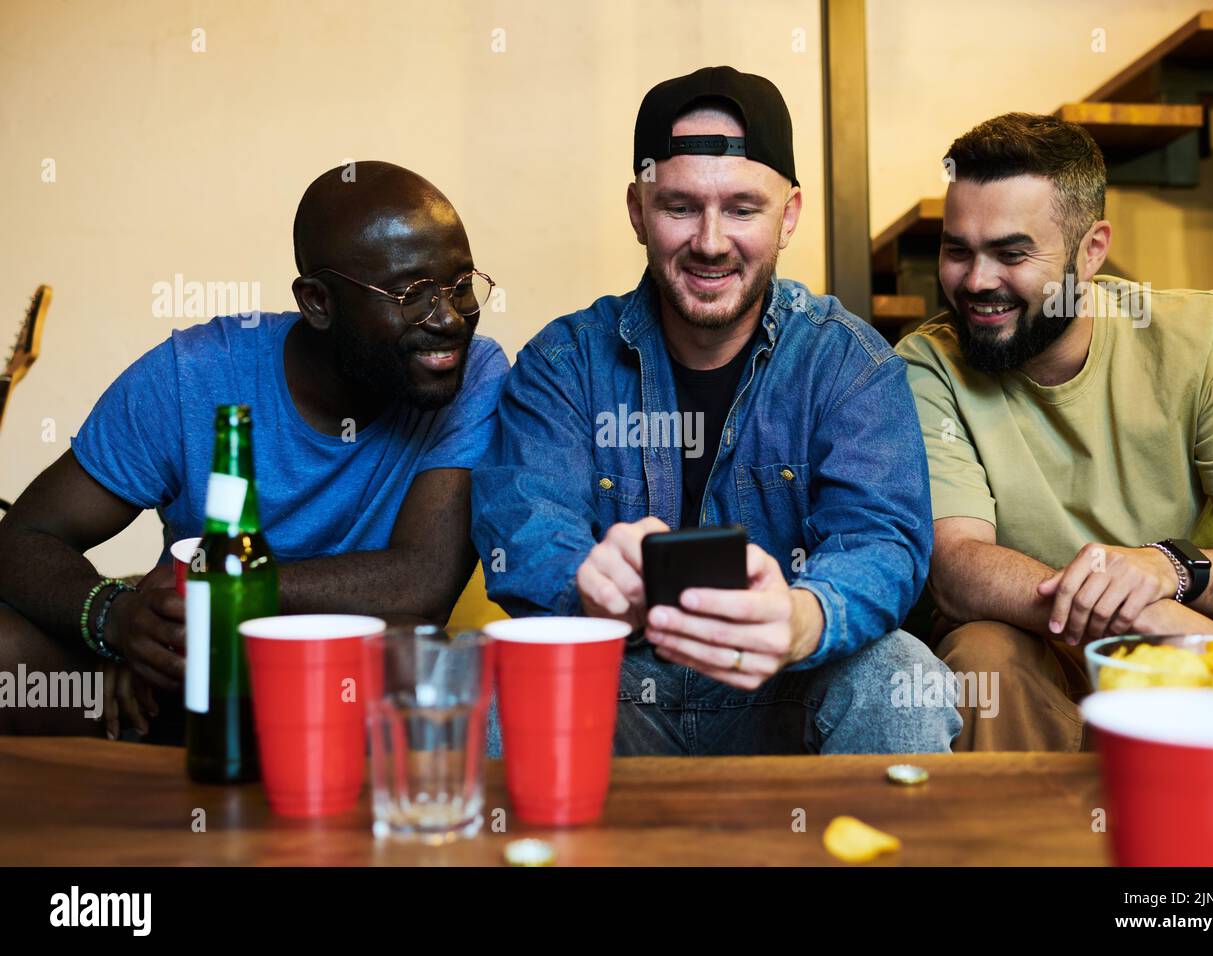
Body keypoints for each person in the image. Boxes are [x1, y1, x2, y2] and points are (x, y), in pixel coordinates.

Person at [472, 66, 961, 755]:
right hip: (616, 692)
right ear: (638, 211)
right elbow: (521, 527)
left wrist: (802, 615)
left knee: (899, 674)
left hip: (781, 687)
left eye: (741, 209)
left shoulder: (849, 363)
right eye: (678, 207)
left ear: (788, 215)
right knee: (484, 670)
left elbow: (882, 540)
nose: (709, 240)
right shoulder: (563, 362)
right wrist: (583, 586)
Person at [0, 161, 508, 739]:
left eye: (461, 285)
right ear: (318, 302)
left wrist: (211, 596)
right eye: (411, 294)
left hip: (315, 681)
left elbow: (422, 581)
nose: (447, 318)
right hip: (174, 673)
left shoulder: (475, 374)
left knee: (407, 649)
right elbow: (21, 538)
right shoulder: (194, 375)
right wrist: (116, 620)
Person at [896, 113, 1213, 751]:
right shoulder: (925, 366)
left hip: (1185, 642)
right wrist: (1142, 610)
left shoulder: (1201, 339)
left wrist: (1171, 572)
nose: (976, 282)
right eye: (957, 250)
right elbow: (956, 567)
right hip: (1042, 654)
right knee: (983, 654)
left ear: (1092, 250)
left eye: (1011, 253)